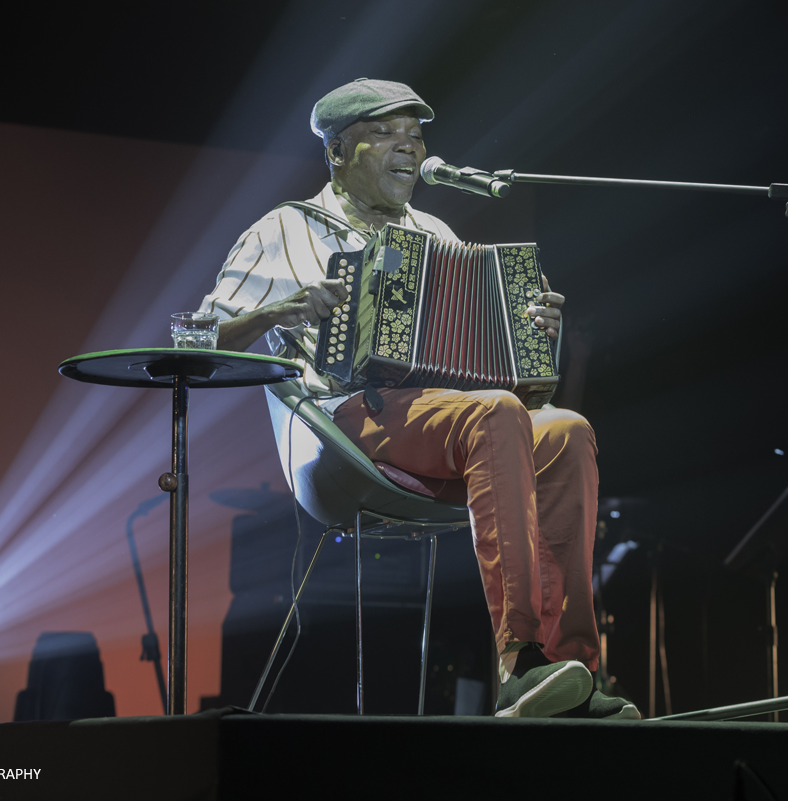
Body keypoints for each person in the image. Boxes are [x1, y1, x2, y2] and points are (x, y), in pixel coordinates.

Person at [202, 78, 639, 720]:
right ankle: (519, 659)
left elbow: (513, 373)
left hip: (447, 420)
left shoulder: (434, 231)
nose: (407, 147)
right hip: (343, 424)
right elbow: (206, 333)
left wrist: (534, 332)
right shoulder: (288, 227)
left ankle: (573, 670)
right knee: (495, 412)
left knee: (566, 427)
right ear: (338, 153)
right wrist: (287, 306)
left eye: (415, 134)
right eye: (383, 134)